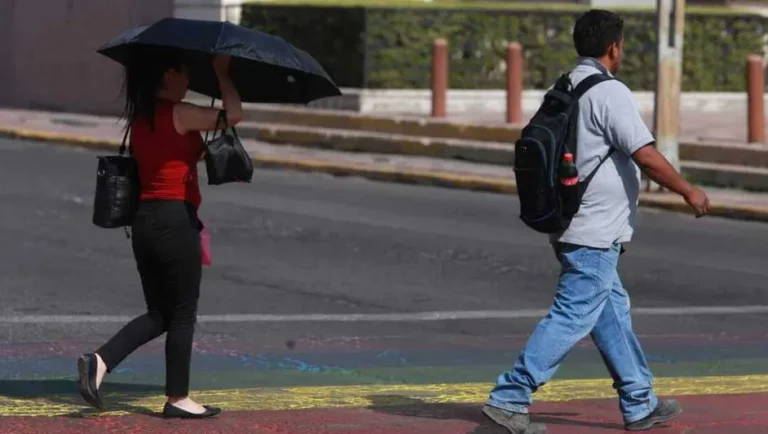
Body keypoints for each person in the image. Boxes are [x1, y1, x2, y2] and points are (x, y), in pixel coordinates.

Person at [482, 9, 711, 434]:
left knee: (611, 313)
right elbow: (644, 153)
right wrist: (688, 190)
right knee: (572, 314)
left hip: (570, 220)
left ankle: (639, 401)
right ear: (614, 47)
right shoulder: (609, 92)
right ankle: (509, 399)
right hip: (592, 228)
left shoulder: (567, 84)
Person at [77, 48, 243, 419]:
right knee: (182, 314)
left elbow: (171, 157)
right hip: (173, 221)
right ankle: (178, 398)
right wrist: (222, 74)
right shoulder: (179, 112)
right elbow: (235, 114)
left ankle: (99, 361)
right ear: (169, 75)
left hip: (145, 221)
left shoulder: (141, 117)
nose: (189, 80)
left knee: (160, 314)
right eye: (184, 72)